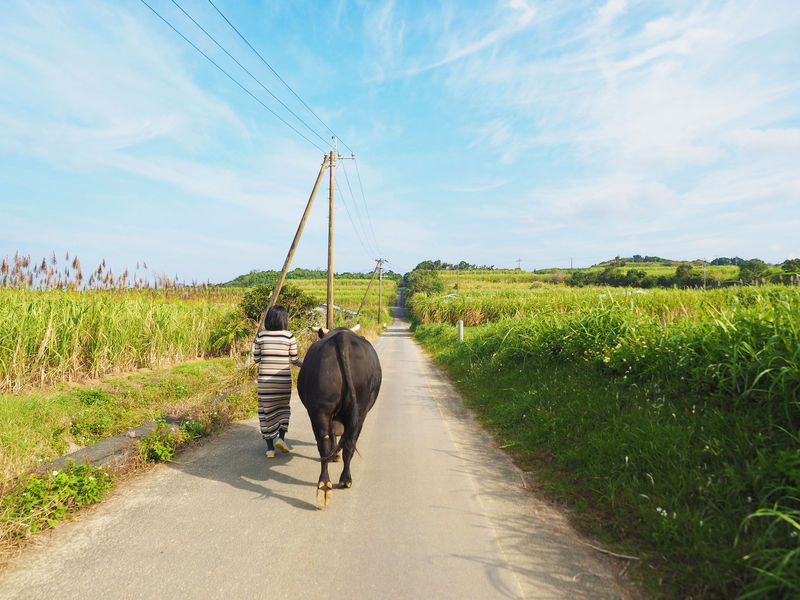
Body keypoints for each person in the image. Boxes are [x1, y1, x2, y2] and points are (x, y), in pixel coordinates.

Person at [252, 305, 302, 458]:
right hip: (283, 381)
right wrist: (307, 365)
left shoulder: (261, 336)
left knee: (265, 412)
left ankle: (269, 449)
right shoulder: (289, 336)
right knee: (283, 409)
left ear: (269, 319)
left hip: (265, 382)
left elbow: (256, 359)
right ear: (284, 320)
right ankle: (281, 438)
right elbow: (295, 360)